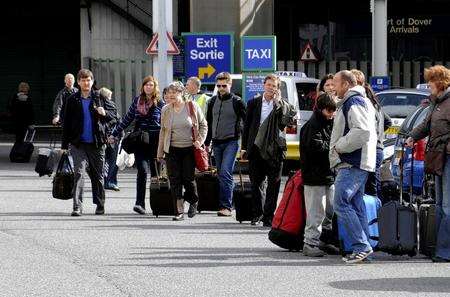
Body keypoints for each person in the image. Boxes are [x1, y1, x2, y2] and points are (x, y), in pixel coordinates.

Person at [329, 70, 377, 263]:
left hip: (352, 162)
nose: (333, 87)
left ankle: (361, 246)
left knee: (340, 203)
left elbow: (362, 131)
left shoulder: (353, 101)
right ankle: (364, 249)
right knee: (356, 207)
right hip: (359, 161)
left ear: (346, 85)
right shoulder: (357, 100)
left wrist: (339, 146)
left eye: (336, 84)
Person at [406, 65, 450, 263]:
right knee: (440, 205)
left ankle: (444, 251)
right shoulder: (436, 102)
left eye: (431, 81)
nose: (428, 85)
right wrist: (412, 137)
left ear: (440, 82)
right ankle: (438, 249)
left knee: (448, 206)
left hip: (447, 156)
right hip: (438, 157)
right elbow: (426, 125)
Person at [241, 73, 296, 226]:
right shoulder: (253, 103)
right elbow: (247, 127)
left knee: (274, 183)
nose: (271, 88)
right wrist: (244, 147)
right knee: (256, 182)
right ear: (263, 85)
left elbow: (285, 122)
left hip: (275, 149)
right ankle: (257, 213)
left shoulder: (282, 105)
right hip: (256, 147)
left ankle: (269, 216)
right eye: (269, 85)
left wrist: (277, 103)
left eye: (274, 86)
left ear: (278, 89)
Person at [62, 69, 117, 216]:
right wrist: (63, 146)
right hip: (78, 143)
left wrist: (104, 113)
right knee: (79, 173)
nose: (86, 82)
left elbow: (115, 116)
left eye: (89, 80)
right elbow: (66, 123)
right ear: (78, 82)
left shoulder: (100, 97)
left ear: (92, 82)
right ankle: (77, 206)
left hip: (97, 143)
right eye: (83, 80)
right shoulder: (72, 100)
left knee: (98, 175)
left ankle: (100, 204)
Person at [109, 76, 164, 215]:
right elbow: (127, 119)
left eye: (151, 85)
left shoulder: (160, 103)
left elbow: (166, 124)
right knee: (142, 171)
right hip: (141, 141)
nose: (148, 87)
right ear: (143, 87)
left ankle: (157, 204)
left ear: (155, 87)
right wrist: (114, 134)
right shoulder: (137, 101)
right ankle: (140, 203)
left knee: (156, 175)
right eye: (146, 85)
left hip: (156, 142)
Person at [157, 81, 207, 221]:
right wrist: (160, 152)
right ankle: (178, 211)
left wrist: (200, 141)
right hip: (172, 149)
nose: (171, 95)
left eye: (174, 92)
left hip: (189, 149)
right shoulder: (166, 109)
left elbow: (204, 125)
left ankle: (193, 200)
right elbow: (163, 131)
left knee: (188, 179)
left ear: (181, 93)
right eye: (169, 93)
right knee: (174, 180)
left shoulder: (192, 106)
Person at [300, 93, 338, 257]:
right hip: (314, 176)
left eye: (333, 111)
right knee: (316, 212)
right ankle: (310, 243)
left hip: (327, 174)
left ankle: (324, 240)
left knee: (330, 210)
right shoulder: (313, 125)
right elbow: (316, 148)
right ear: (321, 109)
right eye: (328, 111)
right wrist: (335, 147)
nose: (331, 114)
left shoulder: (328, 122)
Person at [204, 72, 246, 217]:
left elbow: (246, 124)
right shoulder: (212, 101)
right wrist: (206, 143)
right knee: (222, 175)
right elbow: (208, 123)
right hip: (216, 142)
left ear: (230, 85)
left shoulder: (237, 101)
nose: (221, 88)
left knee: (225, 172)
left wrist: (244, 146)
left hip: (232, 142)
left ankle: (225, 206)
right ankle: (232, 202)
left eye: (224, 85)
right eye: (219, 86)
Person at [350, 69, 392, 202]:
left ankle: (374, 219)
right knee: (372, 186)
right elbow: (388, 121)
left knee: (368, 188)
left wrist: (374, 136)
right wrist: (378, 135)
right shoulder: (374, 103)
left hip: (370, 149)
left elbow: (364, 129)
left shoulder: (362, 103)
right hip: (377, 148)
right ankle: (375, 218)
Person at [99, 87, 120, 191]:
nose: (111, 98)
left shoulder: (97, 105)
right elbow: (115, 119)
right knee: (112, 160)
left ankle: (105, 181)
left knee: (104, 160)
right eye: (110, 96)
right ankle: (109, 182)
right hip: (111, 136)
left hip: (103, 136)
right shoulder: (110, 104)